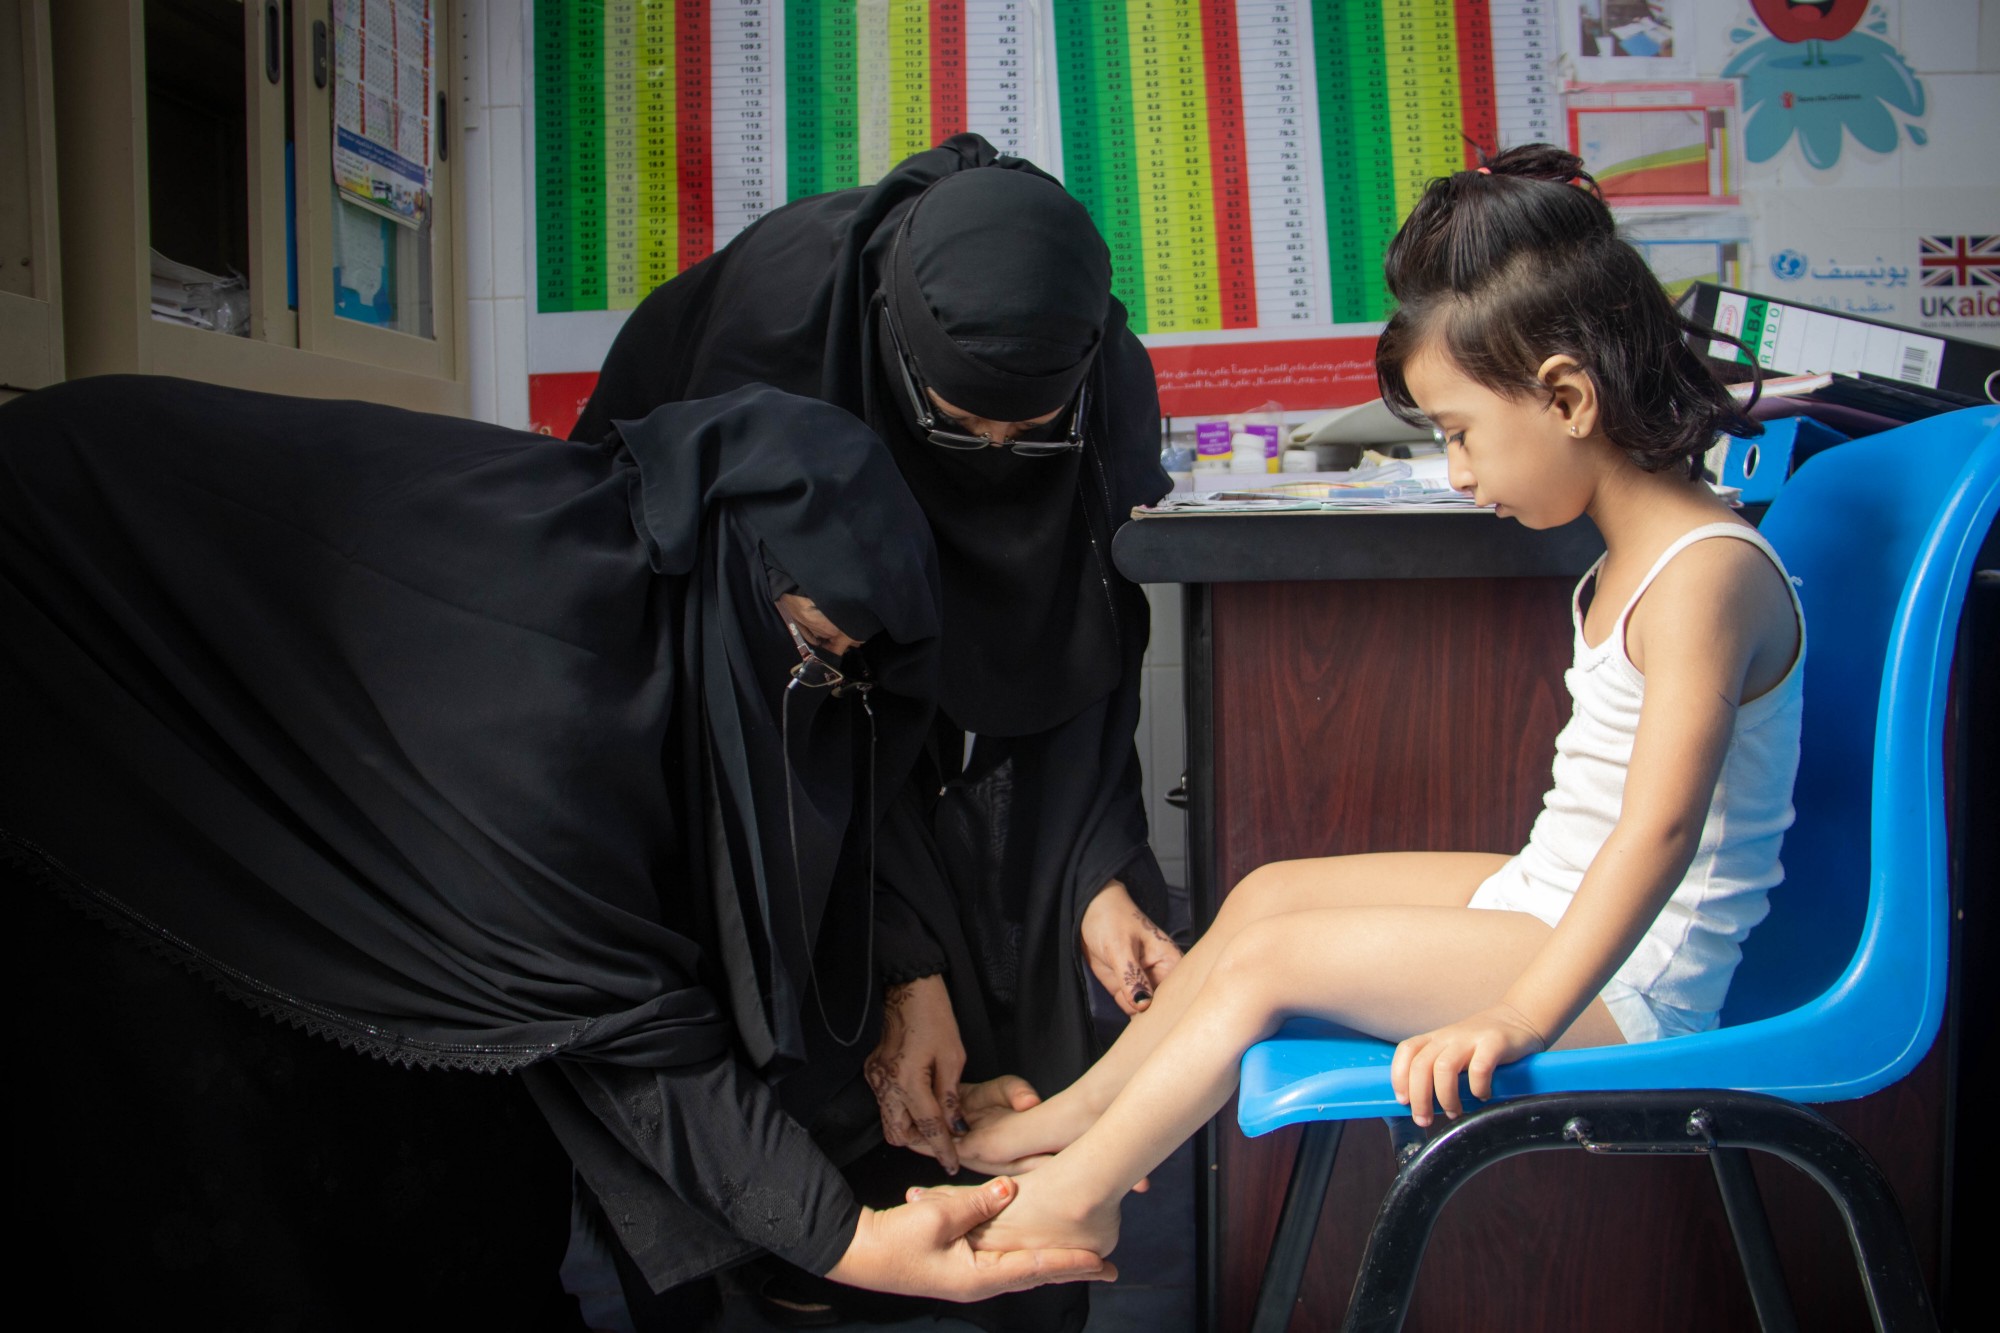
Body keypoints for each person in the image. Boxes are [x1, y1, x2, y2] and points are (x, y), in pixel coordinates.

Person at [0, 376, 1113, 1322]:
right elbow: (617, 1015)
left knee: (454, 1112)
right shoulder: (542, 691)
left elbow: (716, 895)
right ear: (740, 579)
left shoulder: (673, 589)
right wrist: (844, 1240)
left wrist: (896, 992)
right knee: (224, 1121)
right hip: (77, 652)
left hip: (273, 688)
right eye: (813, 652)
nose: (821, 690)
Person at [945, 145, 1803, 1258]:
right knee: (1264, 897)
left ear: (1565, 397)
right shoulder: (1636, 558)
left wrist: (1520, 1013)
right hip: (1549, 897)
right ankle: (1073, 1116)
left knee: (1270, 965)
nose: (1454, 472)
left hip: (1632, 985)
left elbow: (1658, 831)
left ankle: (1082, 1196)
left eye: (1457, 434)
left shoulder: (1703, 573)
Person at [573, 133, 1181, 1184]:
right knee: (794, 933)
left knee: (1020, 905)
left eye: (1026, 431)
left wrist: (1099, 872)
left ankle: (987, 1180)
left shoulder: (1096, 367)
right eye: (957, 424)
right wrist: (902, 963)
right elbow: (794, 716)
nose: (992, 461)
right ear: (897, 358)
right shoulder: (780, 343)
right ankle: (808, 1229)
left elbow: (1082, 648)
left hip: (834, 649)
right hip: (759, 672)